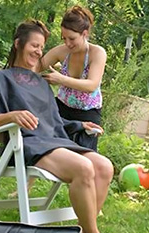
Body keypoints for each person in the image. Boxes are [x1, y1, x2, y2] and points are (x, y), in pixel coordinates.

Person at [0, 19, 123, 233]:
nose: (38, 52)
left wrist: (79, 126)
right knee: (84, 168)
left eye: (41, 47)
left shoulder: (41, 83)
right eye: (34, 45)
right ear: (18, 44)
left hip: (53, 141)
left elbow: (53, 120)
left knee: (105, 166)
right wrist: (12, 116)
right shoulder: (2, 78)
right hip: (28, 145)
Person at [38, 5, 106, 151]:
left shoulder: (97, 53)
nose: (68, 43)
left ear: (85, 33)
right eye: (64, 38)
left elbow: (91, 85)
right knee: (53, 153)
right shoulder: (61, 51)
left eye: (72, 38)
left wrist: (61, 79)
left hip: (88, 114)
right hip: (61, 110)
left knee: (84, 159)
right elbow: (35, 67)